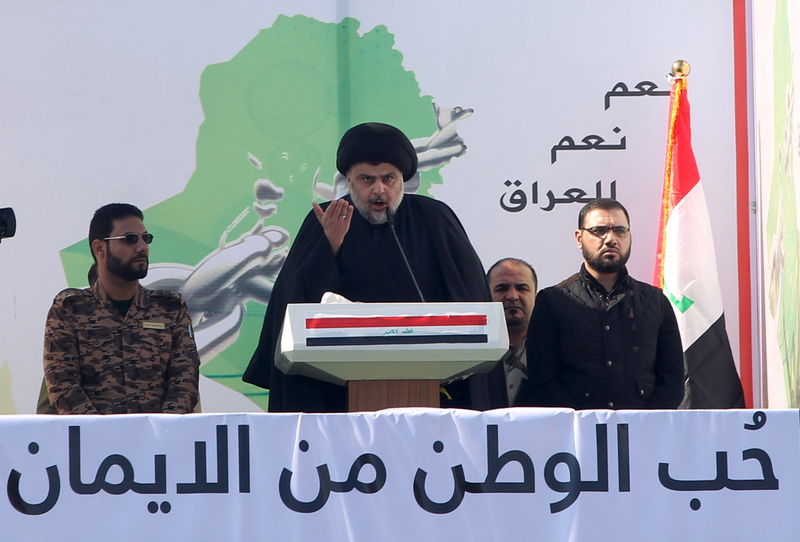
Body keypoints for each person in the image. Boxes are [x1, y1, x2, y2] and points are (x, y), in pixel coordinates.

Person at [244, 122, 497, 412]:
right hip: (336, 397)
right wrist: (330, 247)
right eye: (366, 179)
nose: (379, 190)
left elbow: (470, 301)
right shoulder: (324, 222)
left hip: (434, 395)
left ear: (403, 180)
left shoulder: (434, 219)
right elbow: (295, 308)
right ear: (348, 181)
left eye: (388, 178)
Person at [520, 198, 684, 409]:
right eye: (599, 230)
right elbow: (543, 380)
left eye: (619, 230)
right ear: (579, 238)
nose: (610, 239)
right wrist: (581, 424)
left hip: (643, 434)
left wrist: (642, 424)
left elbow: (672, 382)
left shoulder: (655, 301)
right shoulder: (553, 302)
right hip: (578, 435)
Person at [43, 203, 199, 414]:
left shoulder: (170, 308)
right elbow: (63, 385)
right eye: (130, 239)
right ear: (99, 248)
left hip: (158, 442)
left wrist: (159, 433)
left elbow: (185, 380)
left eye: (146, 238)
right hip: (92, 441)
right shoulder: (70, 308)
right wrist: (107, 436)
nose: (142, 247)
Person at [483, 258, 537, 407]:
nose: (512, 296)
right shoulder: (472, 354)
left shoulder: (552, 351)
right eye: (502, 288)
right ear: (486, 297)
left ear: (536, 297)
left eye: (522, 288)